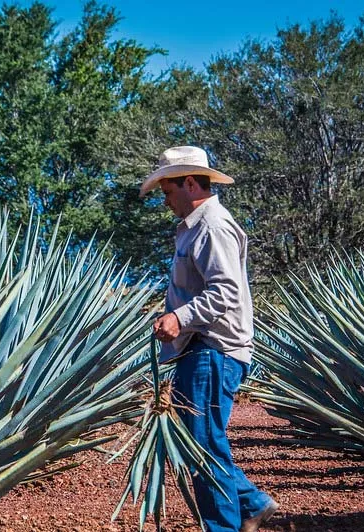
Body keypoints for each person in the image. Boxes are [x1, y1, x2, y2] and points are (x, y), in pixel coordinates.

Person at [140, 146, 279, 532]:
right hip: (200, 348)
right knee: (201, 441)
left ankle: (226, 525)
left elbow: (225, 293)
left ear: (188, 183)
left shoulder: (212, 226)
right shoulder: (194, 228)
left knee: (201, 444)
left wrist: (179, 317)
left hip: (212, 348)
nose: (165, 201)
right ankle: (250, 504)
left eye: (167, 192)